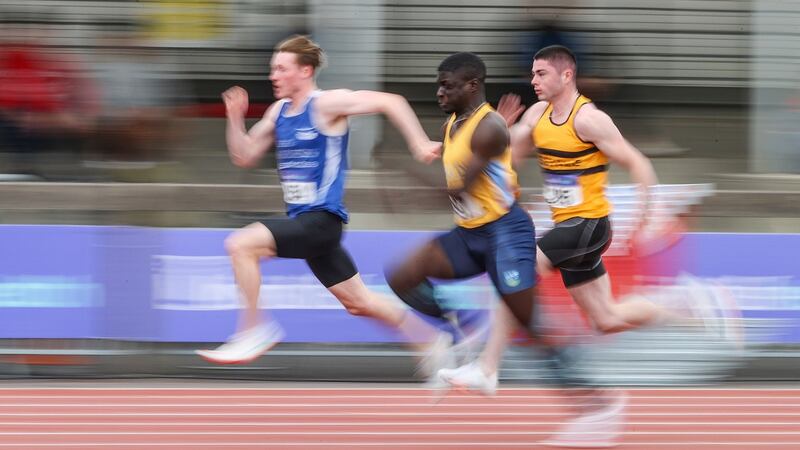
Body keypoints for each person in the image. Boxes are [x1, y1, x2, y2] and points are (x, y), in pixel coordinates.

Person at [438, 45, 669, 447]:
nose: (533, 81)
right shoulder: (536, 115)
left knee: (519, 270)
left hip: (590, 225)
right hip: (567, 226)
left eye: (541, 74)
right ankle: (684, 305)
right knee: (606, 318)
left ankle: (487, 367)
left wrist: (649, 216)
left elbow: (639, 163)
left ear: (566, 76)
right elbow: (507, 153)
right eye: (532, 74)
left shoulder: (589, 119)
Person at [195, 35, 448, 372]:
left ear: (305, 71)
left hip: (321, 222)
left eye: (281, 69)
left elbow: (392, 101)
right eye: (273, 69)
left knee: (240, 244)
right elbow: (244, 156)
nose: (273, 76)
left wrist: (418, 143)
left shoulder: (326, 104)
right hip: (305, 225)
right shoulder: (278, 112)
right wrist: (235, 118)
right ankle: (430, 341)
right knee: (358, 302)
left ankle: (253, 329)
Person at [383, 52, 541, 395]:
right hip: (470, 231)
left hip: (504, 229)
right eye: (438, 85)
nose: (439, 92)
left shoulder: (488, 127)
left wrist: (412, 184)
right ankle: (460, 331)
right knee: (401, 276)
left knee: (529, 321)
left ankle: (587, 395)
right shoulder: (454, 124)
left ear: (472, 85)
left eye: (447, 86)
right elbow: (473, 158)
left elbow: (461, 189)